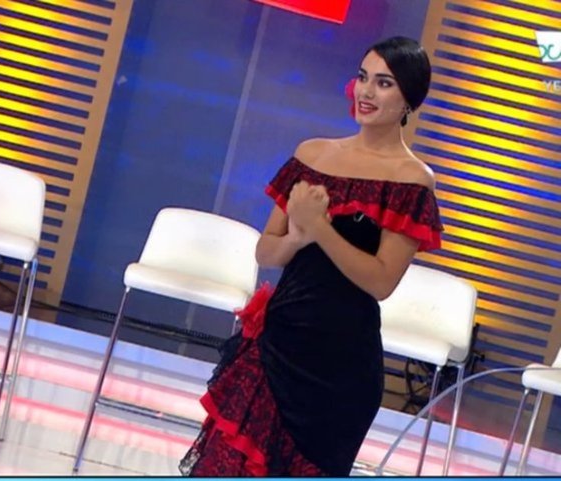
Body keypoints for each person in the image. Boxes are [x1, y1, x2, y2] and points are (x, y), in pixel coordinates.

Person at [179, 36, 443, 477]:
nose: (366, 92)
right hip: (277, 346)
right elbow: (266, 250)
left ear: (408, 100)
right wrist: (298, 237)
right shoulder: (313, 154)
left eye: (384, 83)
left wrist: (320, 228)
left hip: (340, 367)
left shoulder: (412, 180)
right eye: (363, 78)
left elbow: (381, 282)